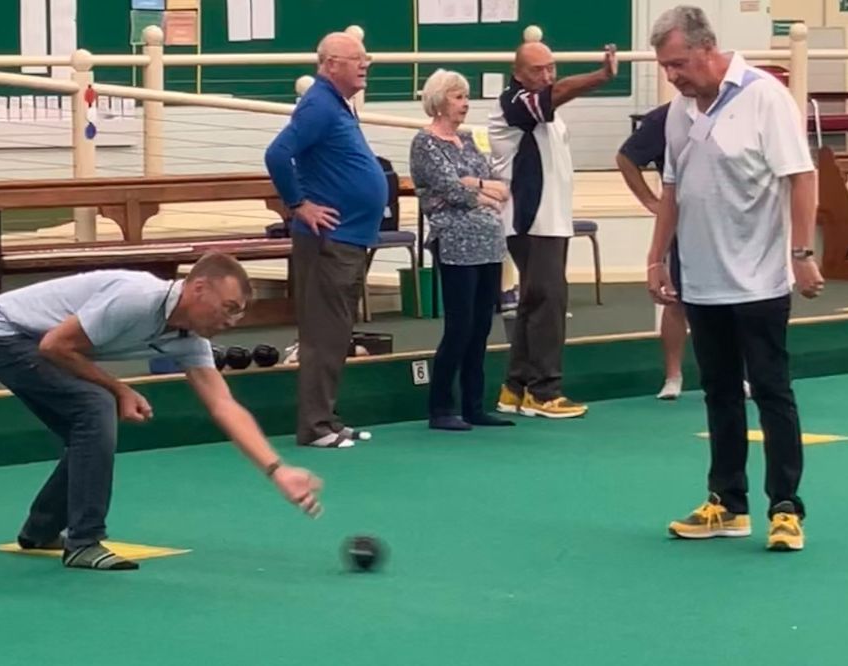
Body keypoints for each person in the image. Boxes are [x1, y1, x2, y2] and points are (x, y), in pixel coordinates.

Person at [0, 253, 325, 571]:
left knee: (87, 430)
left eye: (238, 313)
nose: (231, 321)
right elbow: (55, 345)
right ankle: (84, 542)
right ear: (198, 288)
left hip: (30, 340)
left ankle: (41, 530)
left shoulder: (189, 339)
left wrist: (278, 470)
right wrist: (119, 389)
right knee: (95, 407)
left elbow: (224, 405)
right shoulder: (137, 298)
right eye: (229, 307)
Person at [646, 6, 824, 551]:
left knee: (771, 390)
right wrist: (656, 258)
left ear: (707, 48)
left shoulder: (765, 96)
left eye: (678, 63)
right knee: (718, 392)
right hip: (701, 280)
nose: (672, 75)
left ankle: (786, 508)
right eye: (665, 66)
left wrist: (801, 252)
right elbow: (672, 188)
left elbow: (802, 177)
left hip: (760, 279)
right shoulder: (679, 112)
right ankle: (727, 503)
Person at [264, 32, 387, 449]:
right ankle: (315, 427)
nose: (365, 64)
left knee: (336, 334)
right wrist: (299, 204)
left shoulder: (336, 104)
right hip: (328, 241)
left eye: (366, 57)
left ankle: (327, 419)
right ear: (331, 64)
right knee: (322, 335)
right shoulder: (318, 104)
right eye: (357, 59)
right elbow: (277, 154)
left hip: (349, 238)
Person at [488, 40, 618, 419]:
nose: (546, 76)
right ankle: (544, 391)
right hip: (531, 221)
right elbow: (557, 93)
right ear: (517, 74)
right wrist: (601, 76)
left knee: (534, 301)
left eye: (551, 67)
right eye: (537, 70)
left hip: (551, 220)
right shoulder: (514, 103)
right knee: (549, 301)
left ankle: (515, 388)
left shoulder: (544, 110)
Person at [409, 69, 513, 431]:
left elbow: (499, 186)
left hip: (489, 242)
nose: (465, 104)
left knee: (482, 326)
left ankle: (474, 406)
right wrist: (480, 190)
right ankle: (441, 407)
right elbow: (451, 190)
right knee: (459, 326)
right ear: (439, 102)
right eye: (457, 97)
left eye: (466, 97)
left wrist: (476, 184)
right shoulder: (425, 143)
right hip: (454, 242)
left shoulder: (467, 140)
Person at [616, 102, 688, 399]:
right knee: (675, 298)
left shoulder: (733, 109)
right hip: (682, 219)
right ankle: (673, 376)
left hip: (730, 222)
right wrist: (650, 201)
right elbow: (626, 158)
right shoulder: (666, 117)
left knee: (734, 303)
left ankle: (738, 374)